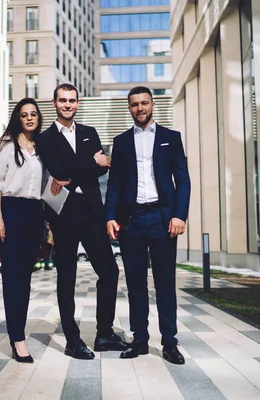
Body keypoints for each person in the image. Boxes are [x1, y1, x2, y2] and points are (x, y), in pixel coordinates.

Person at [35, 83, 128, 359]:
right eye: (62, 100)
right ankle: (72, 341)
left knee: (109, 271)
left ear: (78, 103)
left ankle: (104, 333)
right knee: (67, 277)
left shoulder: (90, 133)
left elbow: (87, 172)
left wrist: (74, 174)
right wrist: (91, 164)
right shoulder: (46, 138)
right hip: (63, 213)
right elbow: (61, 169)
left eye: (72, 100)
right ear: (54, 103)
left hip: (91, 212)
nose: (67, 104)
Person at [105, 86, 191, 365]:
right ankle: (140, 339)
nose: (139, 108)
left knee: (165, 283)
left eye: (144, 103)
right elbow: (115, 184)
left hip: (163, 219)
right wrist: (110, 216)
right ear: (128, 108)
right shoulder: (121, 142)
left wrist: (180, 215)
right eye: (134, 104)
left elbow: (183, 179)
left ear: (152, 104)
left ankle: (169, 343)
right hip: (131, 221)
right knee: (135, 284)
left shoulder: (171, 138)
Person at [0, 97, 50, 363]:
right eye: (24, 114)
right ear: (18, 118)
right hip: (11, 211)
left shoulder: (42, 148)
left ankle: (19, 333)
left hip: (35, 214)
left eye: (33, 114)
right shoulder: (7, 146)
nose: (29, 118)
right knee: (12, 278)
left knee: (25, 278)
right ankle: (18, 338)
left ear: (38, 118)